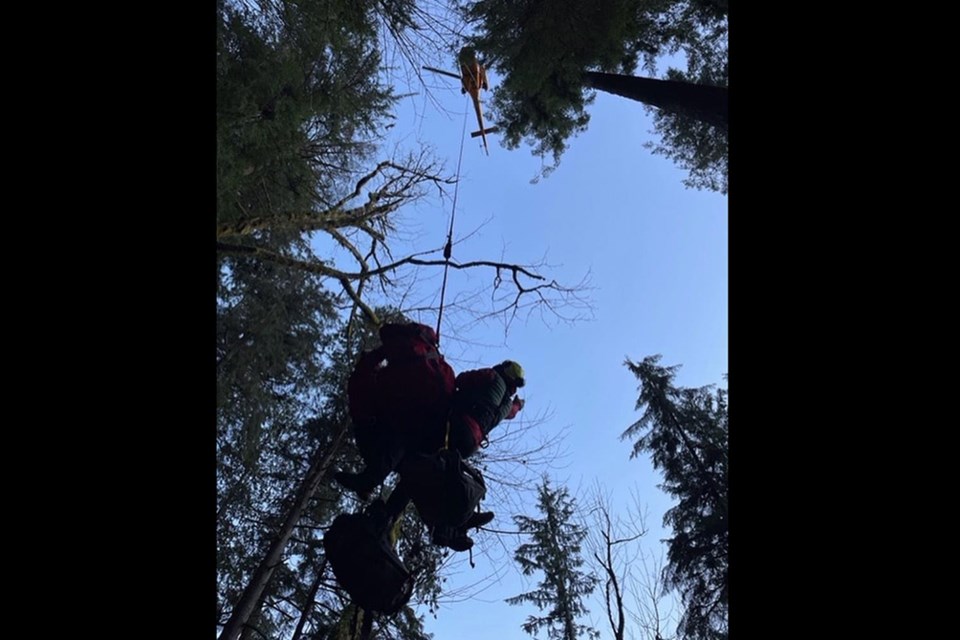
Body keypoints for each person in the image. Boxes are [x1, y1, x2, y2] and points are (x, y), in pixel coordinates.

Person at [335, 322, 455, 500]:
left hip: (405, 423)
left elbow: (365, 386)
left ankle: (369, 481)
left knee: (395, 437)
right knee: (409, 457)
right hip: (433, 435)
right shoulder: (441, 366)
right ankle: (375, 489)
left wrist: (375, 357)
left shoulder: (408, 351)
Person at [426, 360, 526, 550]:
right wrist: (518, 406)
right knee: (446, 474)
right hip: (472, 443)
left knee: (426, 462)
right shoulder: (506, 404)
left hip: (457, 426)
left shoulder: (491, 376)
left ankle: (443, 528)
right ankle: (455, 527)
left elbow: (461, 380)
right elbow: (511, 413)